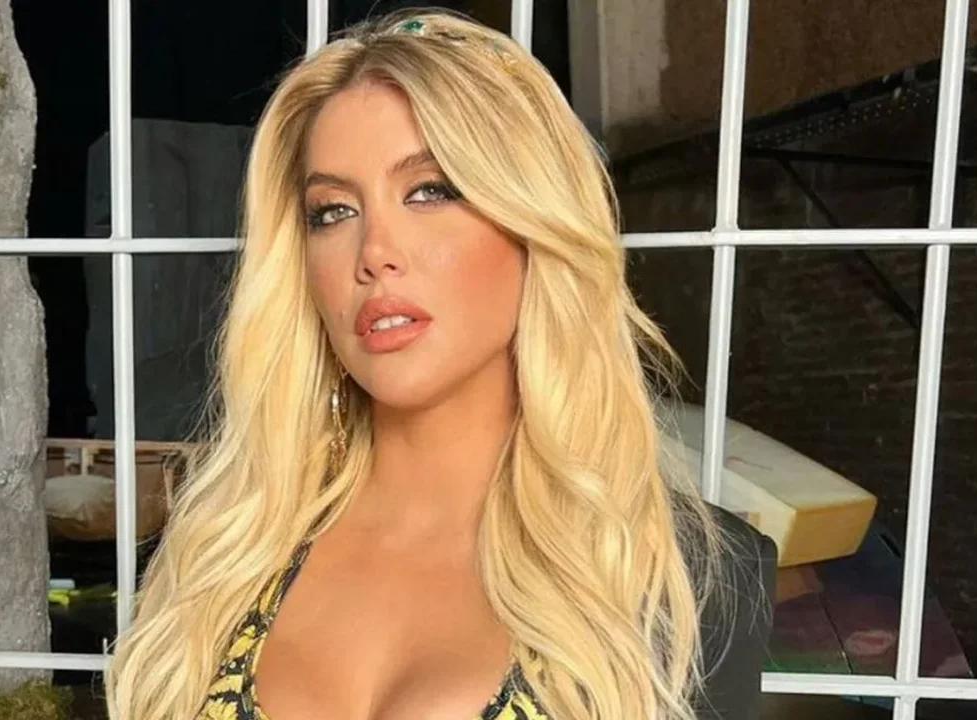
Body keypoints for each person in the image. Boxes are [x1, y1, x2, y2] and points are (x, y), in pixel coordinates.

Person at [105, 9, 774, 720]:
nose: (374, 251)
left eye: (431, 190)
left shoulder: (685, 576)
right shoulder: (221, 553)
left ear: (533, 223)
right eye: (332, 211)